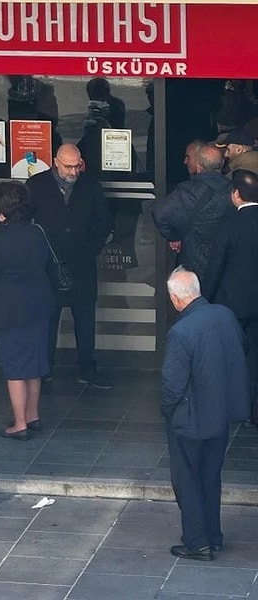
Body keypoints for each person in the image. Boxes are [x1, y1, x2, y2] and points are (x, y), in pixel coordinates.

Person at [162, 267, 250, 561]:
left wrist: (167, 412)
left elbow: (172, 386)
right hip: (220, 415)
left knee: (187, 480)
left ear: (176, 299)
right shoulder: (224, 315)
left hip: (190, 419)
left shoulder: (180, 332)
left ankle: (197, 542)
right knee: (210, 477)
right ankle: (214, 535)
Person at [26, 143, 114, 389]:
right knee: (48, 319)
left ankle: (87, 368)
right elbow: (26, 220)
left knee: (85, 319)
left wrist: (92, 246)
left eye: (77, 166)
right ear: (56, 162)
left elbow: (105, 220)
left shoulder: (90, 185)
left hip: (82, 262)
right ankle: (44, 370)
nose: (74, 172)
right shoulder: (37, 185)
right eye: (68, 166)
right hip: (48, 264)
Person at [0, 181, 54, 440]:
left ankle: (19, 423)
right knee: (34, 365)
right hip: (41, 304)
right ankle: (33, 416)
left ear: (1, 213)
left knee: (15, 369)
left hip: (11, 310)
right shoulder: (38, 233)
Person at [202, 169, 258, 425]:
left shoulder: (230, 223)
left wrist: (204, 297)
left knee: (232, 354)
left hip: (232, 302)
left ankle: (236, 406)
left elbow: (216, 266)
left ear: (236, 194)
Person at [151, 143, 232, 280]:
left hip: (194, 261)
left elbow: (160, 213)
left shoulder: (187, 191)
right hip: (225, 263)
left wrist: (174, 236)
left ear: (199, 165)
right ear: (223, 163)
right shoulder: (233, 190)